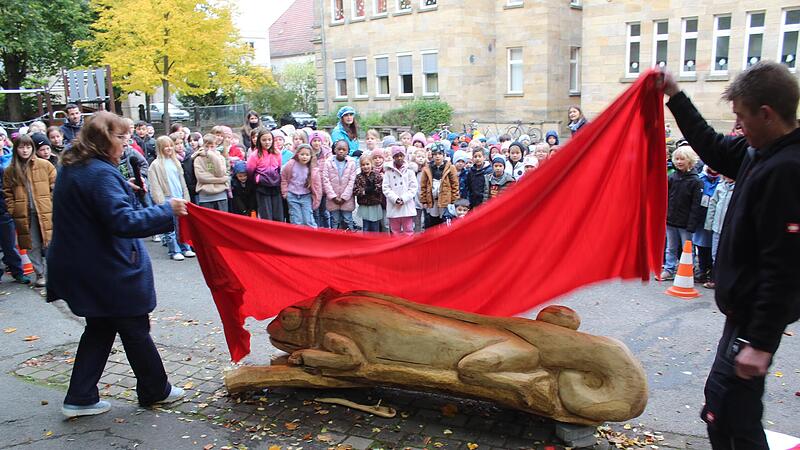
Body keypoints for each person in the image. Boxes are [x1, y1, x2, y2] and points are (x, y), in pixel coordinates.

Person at [661, 61, 800, 449]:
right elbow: (713, 146)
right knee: (723, 409)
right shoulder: (758, 150)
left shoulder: (787, 169)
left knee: (729, 414)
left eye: (741, 117)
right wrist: (675, 96)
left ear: (767, 114)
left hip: (754, 321)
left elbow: (784, 267)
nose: (737, 126)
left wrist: (760, 342)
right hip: (742, 316)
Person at [46, 111, 187, 418]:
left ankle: (81, 397)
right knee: (134, 326)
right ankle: (155, 390)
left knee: (101, 327)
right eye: (121, 138)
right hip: (105, 269)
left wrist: (123, 189)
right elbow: (123, 221)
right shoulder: (98, 173)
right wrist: (167, 210)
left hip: (85, 266)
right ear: (103, 140)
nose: (127, 143)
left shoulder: (76, 165)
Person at [2, 134, 56, 289]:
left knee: (50, 242)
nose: (25, 150)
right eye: (21, 147)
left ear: (32, 148)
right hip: (24, 214)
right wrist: (14, 209)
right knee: (32, 245)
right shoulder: (10, 170)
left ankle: (54, 273)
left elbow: (55, 186)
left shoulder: (45, 165)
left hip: (46, 211)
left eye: (28, 147)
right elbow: (7, 193)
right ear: (16, 149)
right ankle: (39, 273)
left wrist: (50, 202)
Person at [659, 145, 703, 281]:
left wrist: (692, 223)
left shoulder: (696, 181)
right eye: (677, 159)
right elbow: (665, 197)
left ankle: (687, 269)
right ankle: (669, 268)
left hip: (686, 222)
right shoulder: (672, 178)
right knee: (671, 247)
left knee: (687, 248)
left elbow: (696, 205)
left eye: (682, 159)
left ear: (689, 160)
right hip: (671, 219)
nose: (678, 162)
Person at [148, 136, 194, 261]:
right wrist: (161, 202)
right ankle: (174, 250)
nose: (169, 148)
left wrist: (186, 196)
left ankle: (185, 248)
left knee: (182, 225)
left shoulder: (176, 162)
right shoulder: (155, 165)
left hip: (179, 196)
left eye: (170, 146)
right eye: (165, 146)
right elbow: (154, 186)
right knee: (170, 227)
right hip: (167, 198)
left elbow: (182, 181)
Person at [703, 175, 735, 290]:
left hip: (730, 230)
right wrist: (709, 223)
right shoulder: (720, 186)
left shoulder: (738, 188)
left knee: (728, 256)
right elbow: (713, 204)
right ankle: (716, 279)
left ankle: (726, 281)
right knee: (715, 254)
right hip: (717, 227)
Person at [0, 162, 30, 284]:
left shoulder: (2, 170)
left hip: (3, 213)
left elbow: (7, 190)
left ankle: (18, 272)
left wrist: (9, 209)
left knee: (10, 246)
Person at [419, 142, 459, 230]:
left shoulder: (450, 168)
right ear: (432, 156)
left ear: (444, 155)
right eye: (435, 154)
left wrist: (453, 200)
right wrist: (424, 200)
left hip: (445, 201)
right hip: (432, 201)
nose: (437, 156)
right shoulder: (427, 168)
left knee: (444, 222)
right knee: (433, 222)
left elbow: (455, 185)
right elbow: (423, 185)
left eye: (440, 154)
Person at [246, 128, 283, 221]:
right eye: (264, 140)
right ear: (259, 141)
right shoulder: (255, 155)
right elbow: (250, 172)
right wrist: (257, 179)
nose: (267, 142)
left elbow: (278, 168)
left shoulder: (277, 153)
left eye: (269, 140)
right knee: (266, 214)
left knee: (278, 214)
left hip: (275, 186)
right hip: (262, 187)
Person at [280, 144, 321, 227]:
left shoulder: (313, 169)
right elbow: (283, 177)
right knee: (296, 220)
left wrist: (316, 199)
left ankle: (313, 237)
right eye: (302, 154)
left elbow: (317, 187)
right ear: (297, 154)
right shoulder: (291, 164)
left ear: (311, 156)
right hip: (292, 195)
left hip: (306, 196)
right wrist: (285, 192)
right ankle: (297, 238)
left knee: (308, 220)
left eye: (307, 155)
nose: (304, 157)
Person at [693, 166, 720, 284]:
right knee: (701, 244)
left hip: (716, 219)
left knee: (714, 247)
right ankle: (703, 269)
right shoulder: (700, 178)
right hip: (701, 217)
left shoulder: (722, 181)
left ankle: (712, 271)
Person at [382, 146, 418, 236]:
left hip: (406, 205)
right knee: (395, 231)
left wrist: (404, 198)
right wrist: (395, 199)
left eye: (401, 155)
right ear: (393, 157)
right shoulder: (388, 172)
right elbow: (385, 188)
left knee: (408, 230)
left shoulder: (410, 171)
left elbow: (413, 187)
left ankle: (408, 247)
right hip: (393, 205)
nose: (399, 158)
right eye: (397, 156)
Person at [322, 140, 357, 231]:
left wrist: (344, 197)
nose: (341, 151)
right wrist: (333, 196)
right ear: (334, 150)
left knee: (348, 219)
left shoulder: (352, 163)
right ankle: (334, 240)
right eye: (339, 149)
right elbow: (326, 180)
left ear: (348, 151)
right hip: (333, 199)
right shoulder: (328, 162)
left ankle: (350, 238)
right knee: (334, 220)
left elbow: (352, 181)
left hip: (347, 199)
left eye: (344, 149)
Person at [194, 134, 230, 212]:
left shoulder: (221, 158)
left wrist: (213, 157)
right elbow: (201, 178)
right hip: (205, 196)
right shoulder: (198, 159)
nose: (209, 149)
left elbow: (220, 173)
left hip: (221, 195)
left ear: (216, 146)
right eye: (207, 147)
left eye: (212, 147)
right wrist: (222, 180)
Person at [353, 156, 384, 232]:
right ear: (360, 166)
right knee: (366, 226)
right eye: (363, 165)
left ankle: (375, 242)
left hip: (375, 205)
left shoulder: (377, 176)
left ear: (371, 164)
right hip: (364, 205)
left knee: (375, 226)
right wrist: (364, 191)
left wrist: (374, 189)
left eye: (367, 164)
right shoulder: (359, 177)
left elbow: (381, 188)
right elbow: (355, 190)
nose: (365, 166)